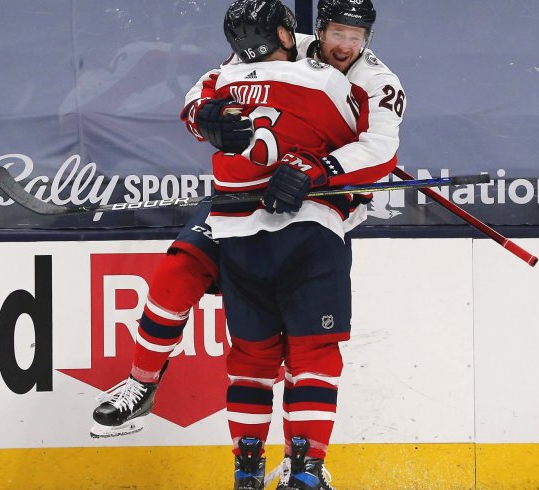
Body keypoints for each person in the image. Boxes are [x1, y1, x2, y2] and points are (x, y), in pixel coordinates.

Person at [92, 2, 404, 484]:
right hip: (241, 202)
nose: (345, 45)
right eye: (337, 32)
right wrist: (206, 118)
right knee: (179, 270)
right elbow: (202, 94)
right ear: (314, 29)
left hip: (310, 205)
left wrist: (317, 170)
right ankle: (140, 383)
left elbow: (380, 148)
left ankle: (300, 466)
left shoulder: (378, 82)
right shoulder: (276, 47)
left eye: (356, 36)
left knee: (300, 348)